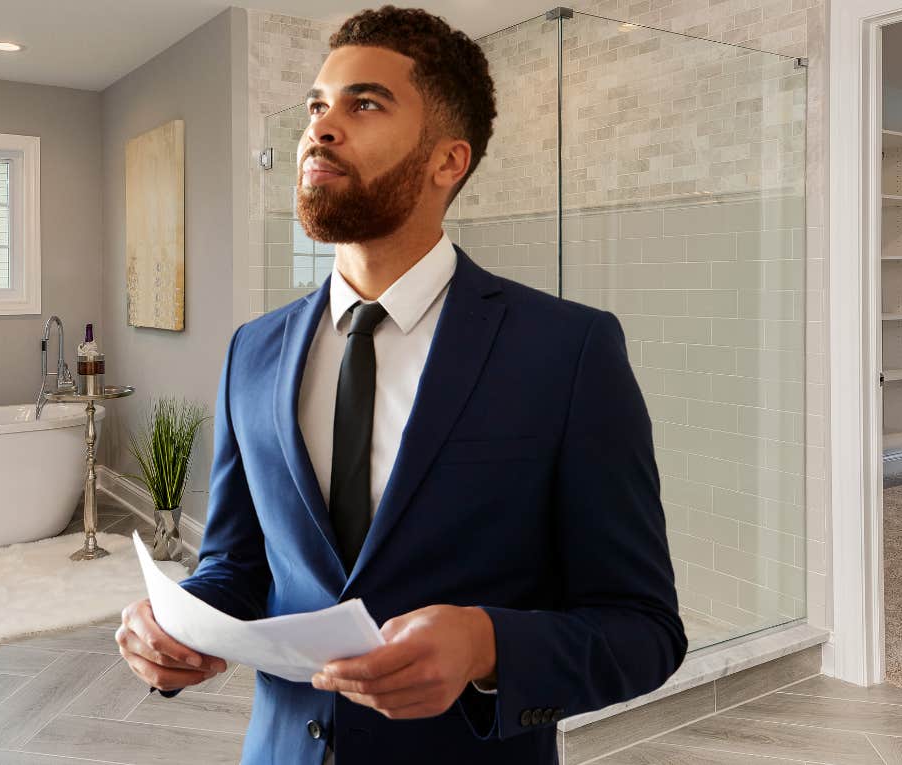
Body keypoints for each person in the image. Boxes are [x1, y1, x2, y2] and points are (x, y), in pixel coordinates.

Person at [114, 5, 687, 763]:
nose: (320, 126)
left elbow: (643, 629)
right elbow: (238, 563)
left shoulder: (568, 350)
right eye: (318, 105)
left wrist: (487, 644)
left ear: (448, 161)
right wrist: (177, 626)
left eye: (365, 103)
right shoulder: (252, 351)